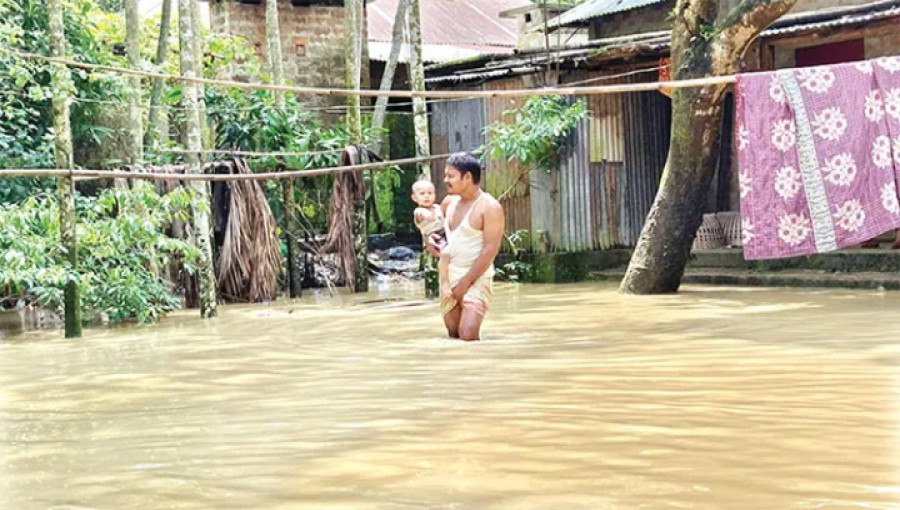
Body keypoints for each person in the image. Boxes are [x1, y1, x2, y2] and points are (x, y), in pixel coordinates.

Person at [426, 153, 505, 341]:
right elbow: (442, 240)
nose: (445, 180)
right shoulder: (448, 203)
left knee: (467, 334)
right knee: (453, 335)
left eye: (450, 176)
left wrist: (466, 282)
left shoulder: (489, 207)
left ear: (467, 177)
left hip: (476, 277)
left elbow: (490, 251)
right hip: (449, 277)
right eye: (446, 176)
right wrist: (431, 242)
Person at [411, 180, 449, 294]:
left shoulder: (437, 207)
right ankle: (445, 281)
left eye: (430, 193)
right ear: (414, 198)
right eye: (422, 194)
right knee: (445, 255)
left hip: (445, 233)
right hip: (434, 236)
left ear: (434, 195)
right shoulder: (419, 210)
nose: (426, 196)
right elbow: (421, 214)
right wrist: (427, 215)